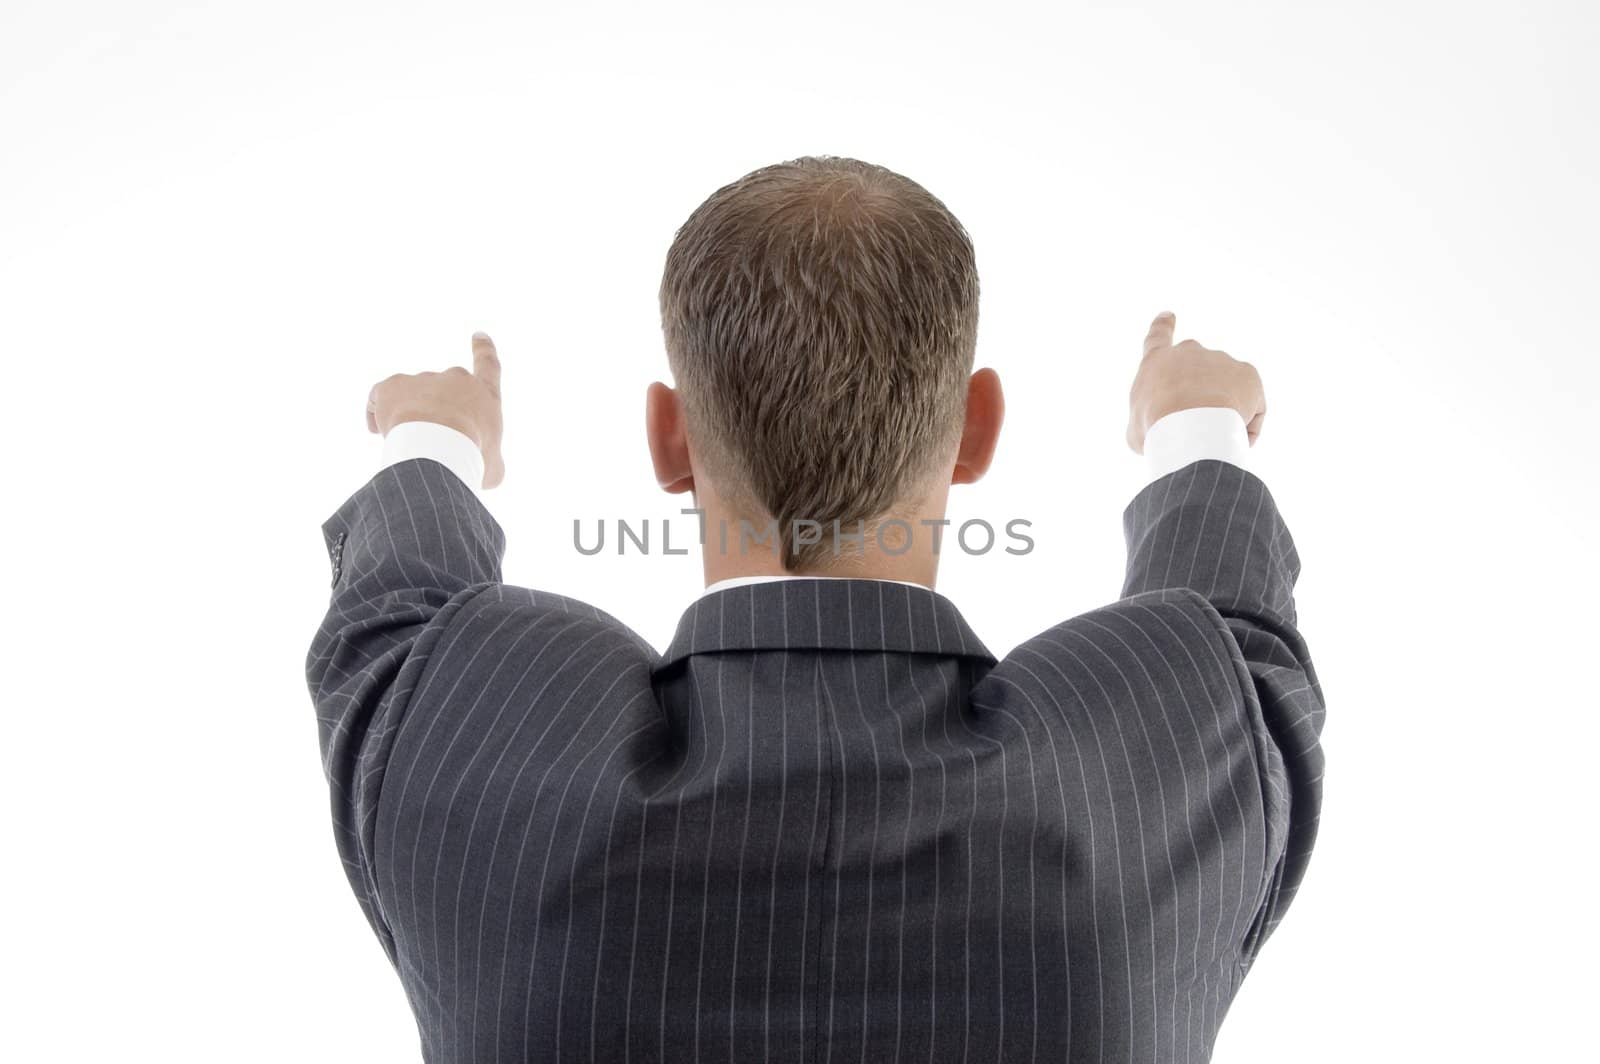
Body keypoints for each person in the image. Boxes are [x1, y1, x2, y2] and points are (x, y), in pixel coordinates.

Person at [306, 155, 1325, 1063]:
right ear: (979, 429)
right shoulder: (1157, 760)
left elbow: (396, 616)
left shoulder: (467, 736)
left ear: (665, 438)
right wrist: (1195, 423)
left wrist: (431, 436)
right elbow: (1231, 628)